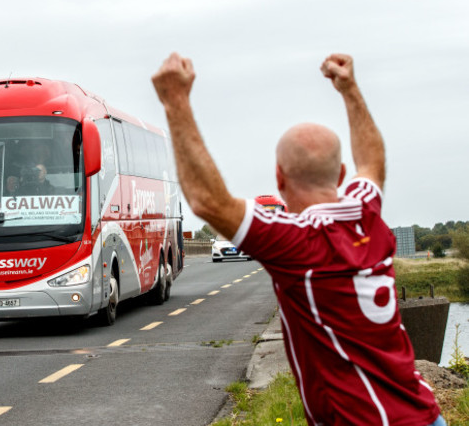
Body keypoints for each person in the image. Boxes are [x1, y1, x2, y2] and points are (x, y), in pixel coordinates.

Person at [152, 53, 444, 426]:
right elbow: (372, 162)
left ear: (279, 177)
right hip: (424, 413)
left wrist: (175, 101)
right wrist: (350, 89)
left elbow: (208, 201)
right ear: (341, 173)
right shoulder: (367, 214)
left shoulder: (297, 245)